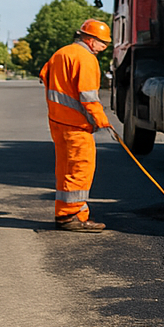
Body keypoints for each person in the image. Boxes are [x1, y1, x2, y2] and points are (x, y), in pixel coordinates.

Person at [40, 19, 114, 233]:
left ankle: (65, 214)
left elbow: (44, 78)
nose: (104, 47)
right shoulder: (86, 59)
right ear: (91, 40)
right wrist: (101, 120)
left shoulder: (61, 54)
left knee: (65, 169)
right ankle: (73, 216)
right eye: (103, 43)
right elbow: (88, 96)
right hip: (76, 126)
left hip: (58, 122)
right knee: (80, 169)